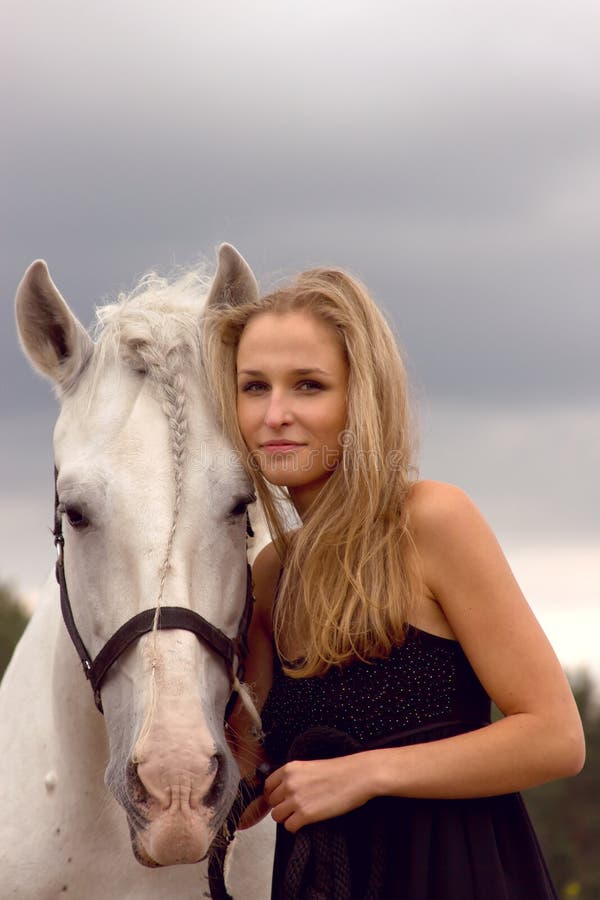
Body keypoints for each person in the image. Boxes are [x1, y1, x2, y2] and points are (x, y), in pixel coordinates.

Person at [205, 265, 585, 899]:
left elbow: (555, 736)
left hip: (458, 878)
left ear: (362, 397)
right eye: (253, 387)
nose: (274, 414)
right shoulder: (270, 576)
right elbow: (245, 786)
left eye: (308, 385)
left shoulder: (432, 522)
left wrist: (366, 774)